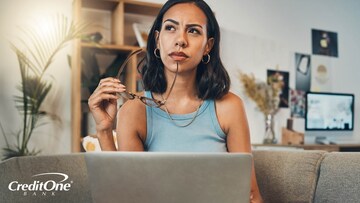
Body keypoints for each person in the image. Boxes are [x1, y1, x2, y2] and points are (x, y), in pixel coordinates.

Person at [88, 0, 263, 202]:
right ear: (157, 39)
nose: (180, 40)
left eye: (194, 31)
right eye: (170, 28)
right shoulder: (134, 110)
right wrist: (104, 130)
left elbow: (252, 196)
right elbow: (125, 195)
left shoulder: (229, 107)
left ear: (208, 46)